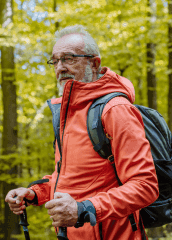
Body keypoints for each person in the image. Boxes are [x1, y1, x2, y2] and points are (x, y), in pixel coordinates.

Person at [5, 25, 159, 240]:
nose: (60, 67)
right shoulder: (66, 115)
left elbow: (145, 186)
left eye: (68, 58)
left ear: (94, 63)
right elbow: (70, 180)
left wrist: (84, 209)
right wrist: (33, 194)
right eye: (55, 60)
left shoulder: (115, 110)